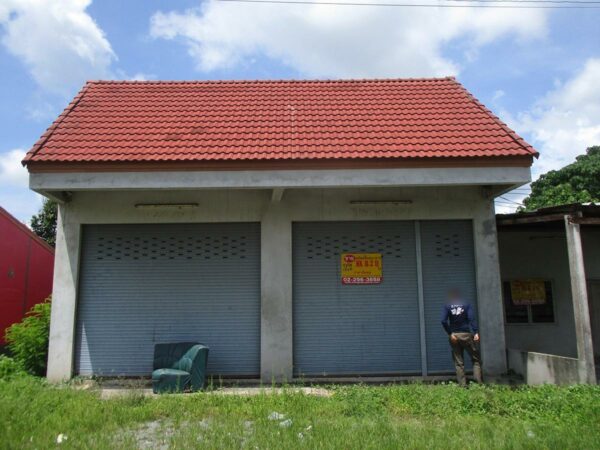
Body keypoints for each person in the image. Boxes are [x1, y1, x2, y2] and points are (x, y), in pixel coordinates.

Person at [440, 288, 482, 387]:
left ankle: (463, 385)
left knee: (459, 362)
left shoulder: (447, 306)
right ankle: (478, 384)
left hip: (455, 336)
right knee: (476, 359)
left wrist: (450, 334)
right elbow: (471, 319)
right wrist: (475, 332)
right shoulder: (466, 304)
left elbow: (443, 321)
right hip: (466, 335)